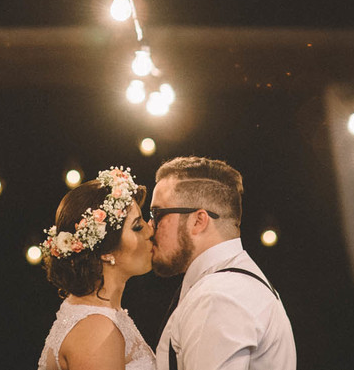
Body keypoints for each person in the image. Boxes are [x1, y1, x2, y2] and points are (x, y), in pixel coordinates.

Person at [150, 156, 296, 370]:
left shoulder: (218, 295)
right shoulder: (232, 285)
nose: (149, 226)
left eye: (157, 214)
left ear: (198, 221)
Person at [38, 167, 157, 370]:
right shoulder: (95, 331)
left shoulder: (101, 316)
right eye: (137, 227)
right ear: (106, 252)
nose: (150, 230)